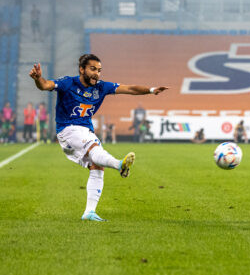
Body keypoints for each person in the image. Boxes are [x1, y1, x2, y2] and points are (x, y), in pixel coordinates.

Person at [29, 54, 168, 221]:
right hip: (68, 129)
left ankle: (89, 212)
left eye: (99, 70)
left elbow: (129, 89)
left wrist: (151, 90)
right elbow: (45, 85)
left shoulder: (101, 87)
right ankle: (119, 164)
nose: (97, 74)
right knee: (95, 149)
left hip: (83, 132)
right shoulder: (68, 83)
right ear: (82, 69)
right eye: (93, 69)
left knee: (97, 166)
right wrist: (38, 79)